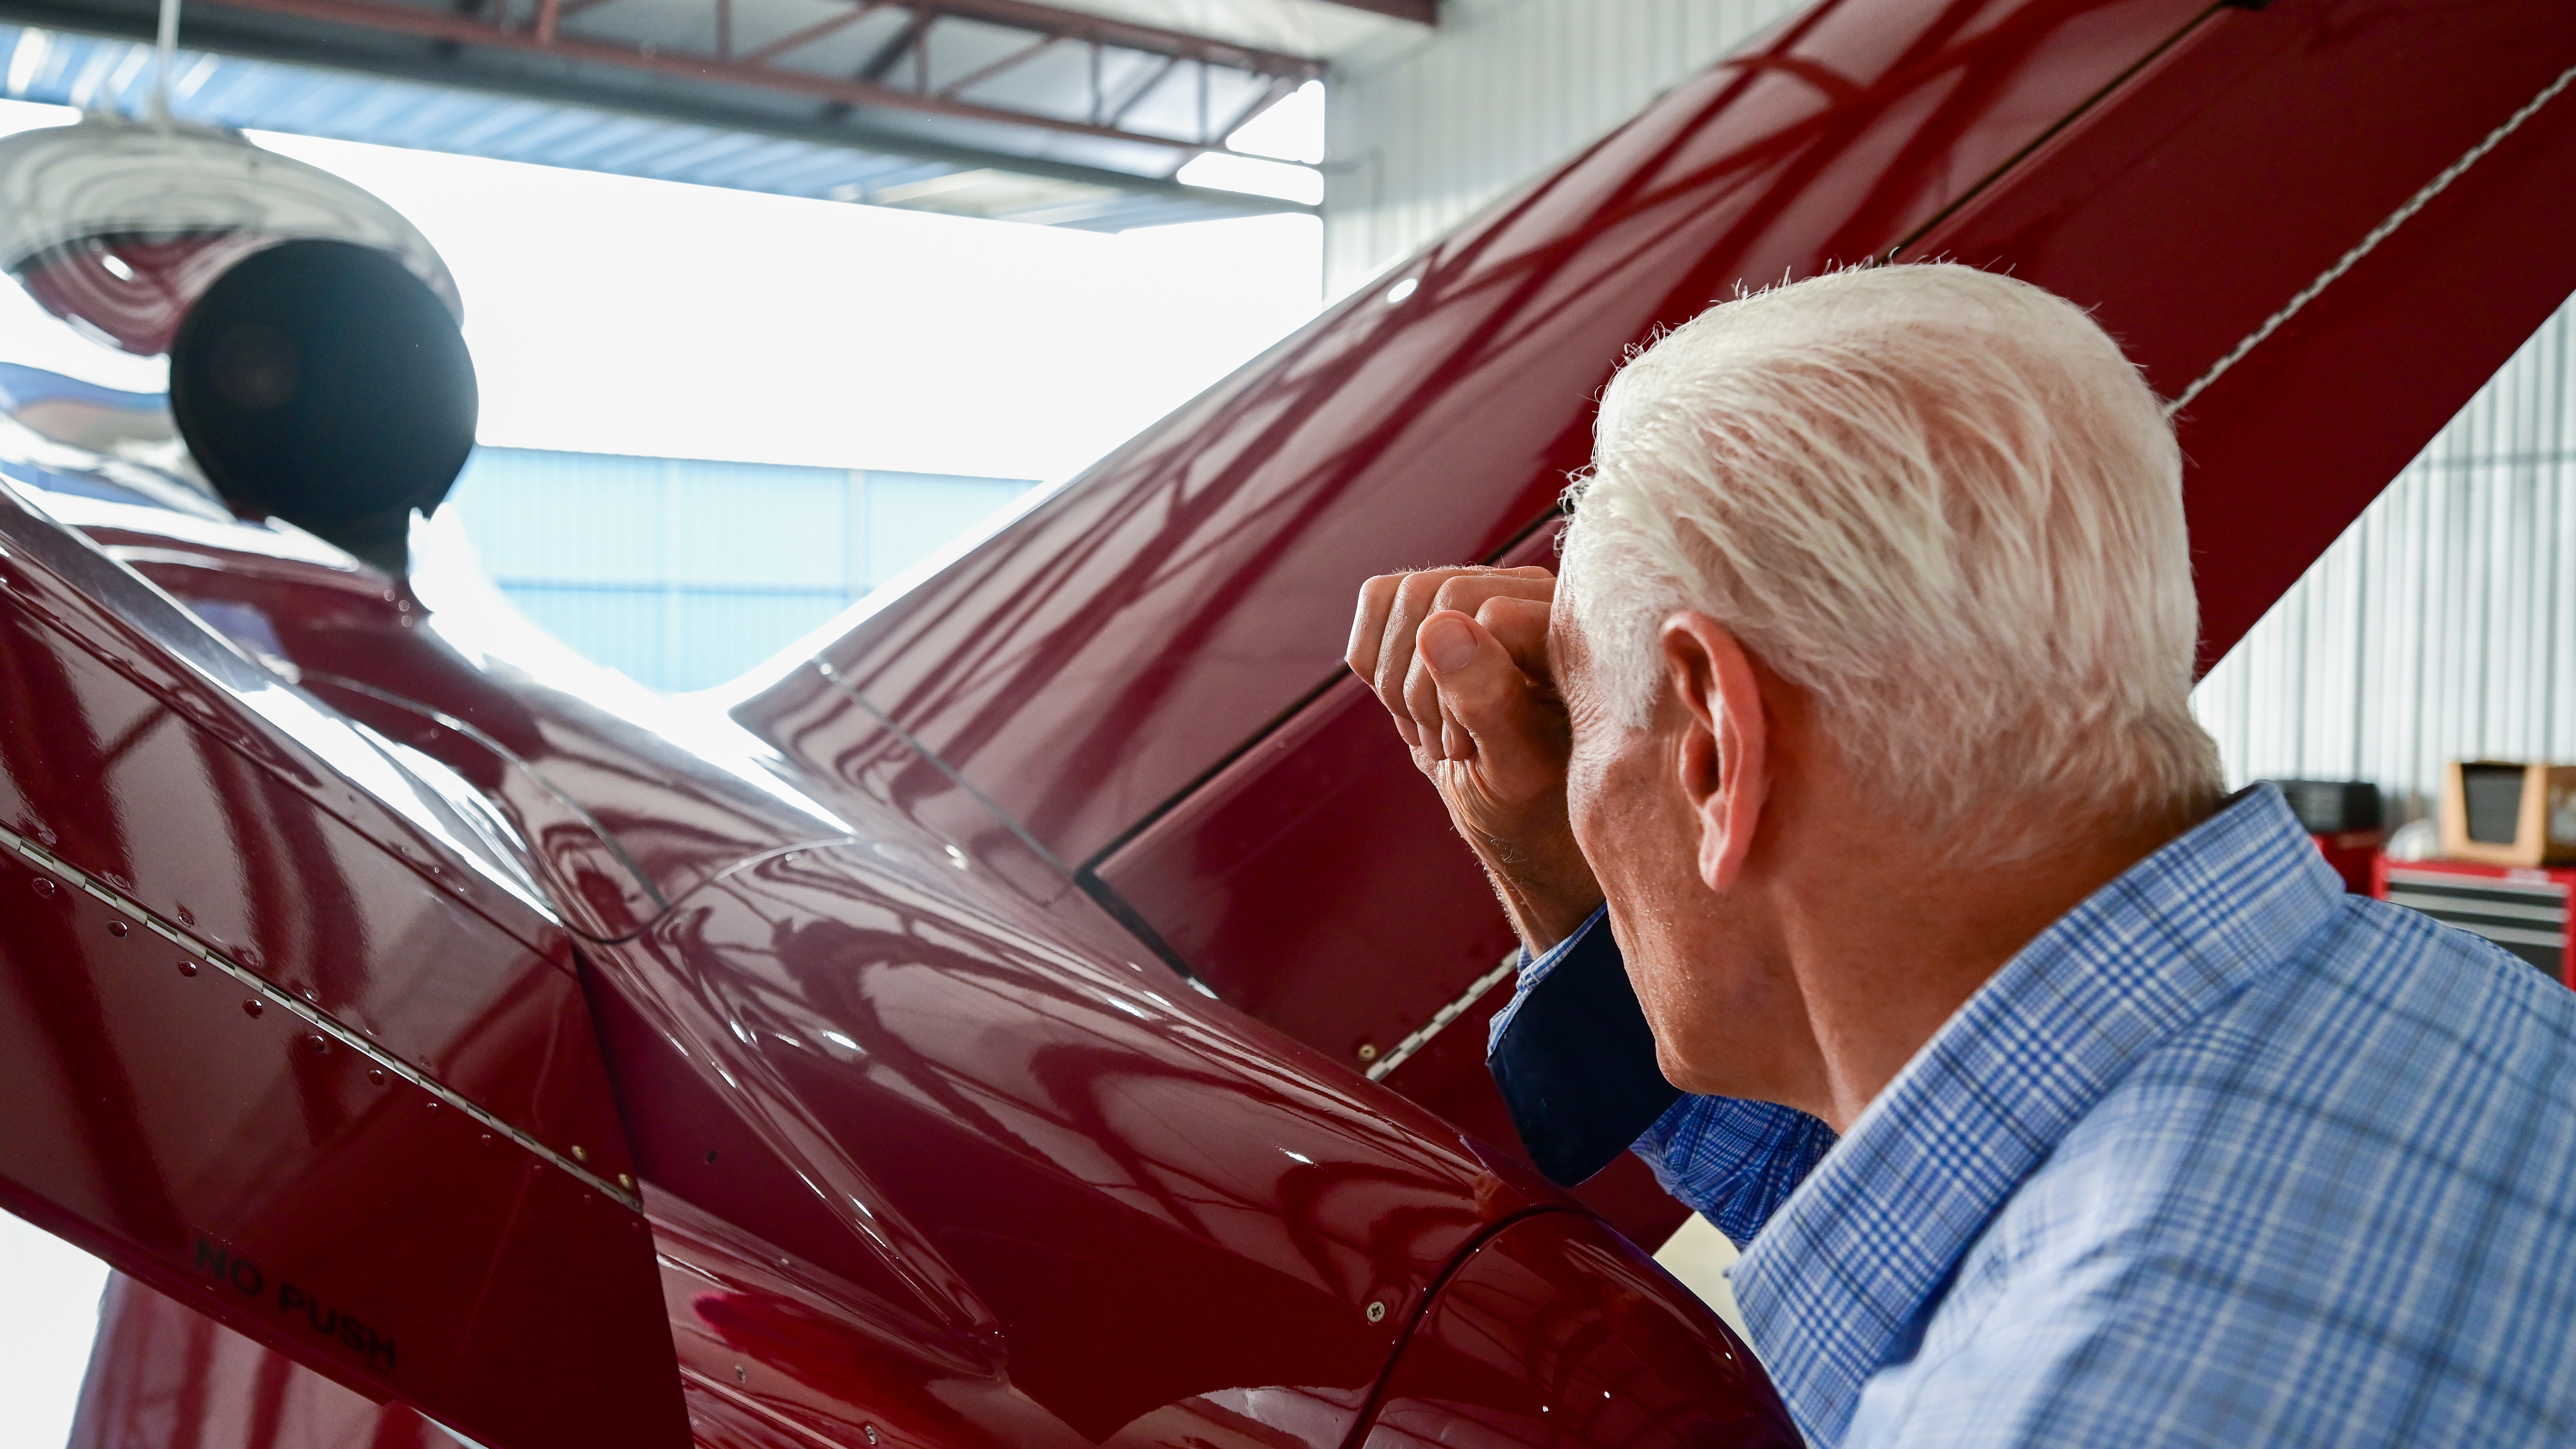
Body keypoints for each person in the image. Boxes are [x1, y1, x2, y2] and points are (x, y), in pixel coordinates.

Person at [1346, 264, 2576, 1447]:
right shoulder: (2486, 1025)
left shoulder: (2037, 1404)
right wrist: (1576, 869)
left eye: (1582, 717)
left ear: (1718, 747)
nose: (1579, 779)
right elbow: (1934, 1207)